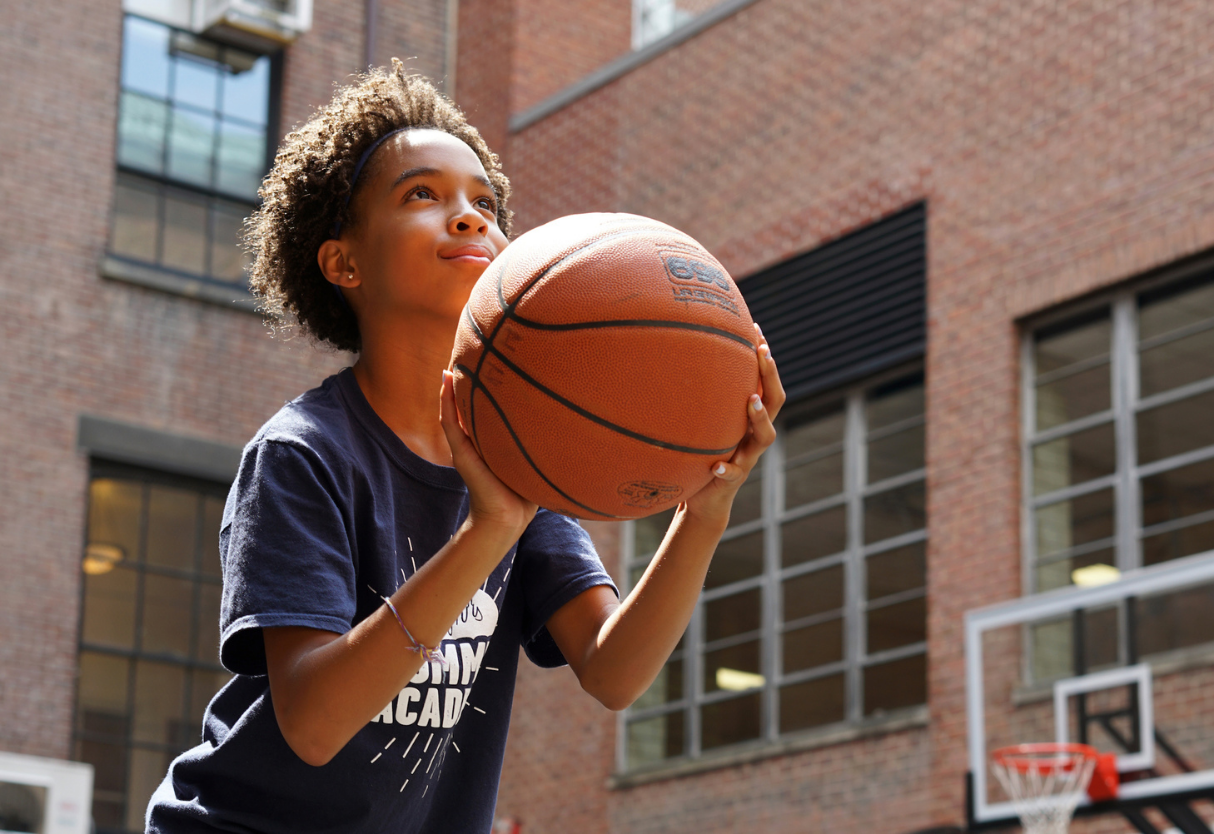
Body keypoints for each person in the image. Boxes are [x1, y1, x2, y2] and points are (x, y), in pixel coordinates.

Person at [146, 60, 784, 834]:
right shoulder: (304, 453)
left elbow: (613, 671)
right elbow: (313, 725)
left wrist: (704, 511)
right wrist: (489, 532)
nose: (469, 218)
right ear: (344, 262)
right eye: (423, 195)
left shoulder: (521, 453)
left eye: (485, 203)